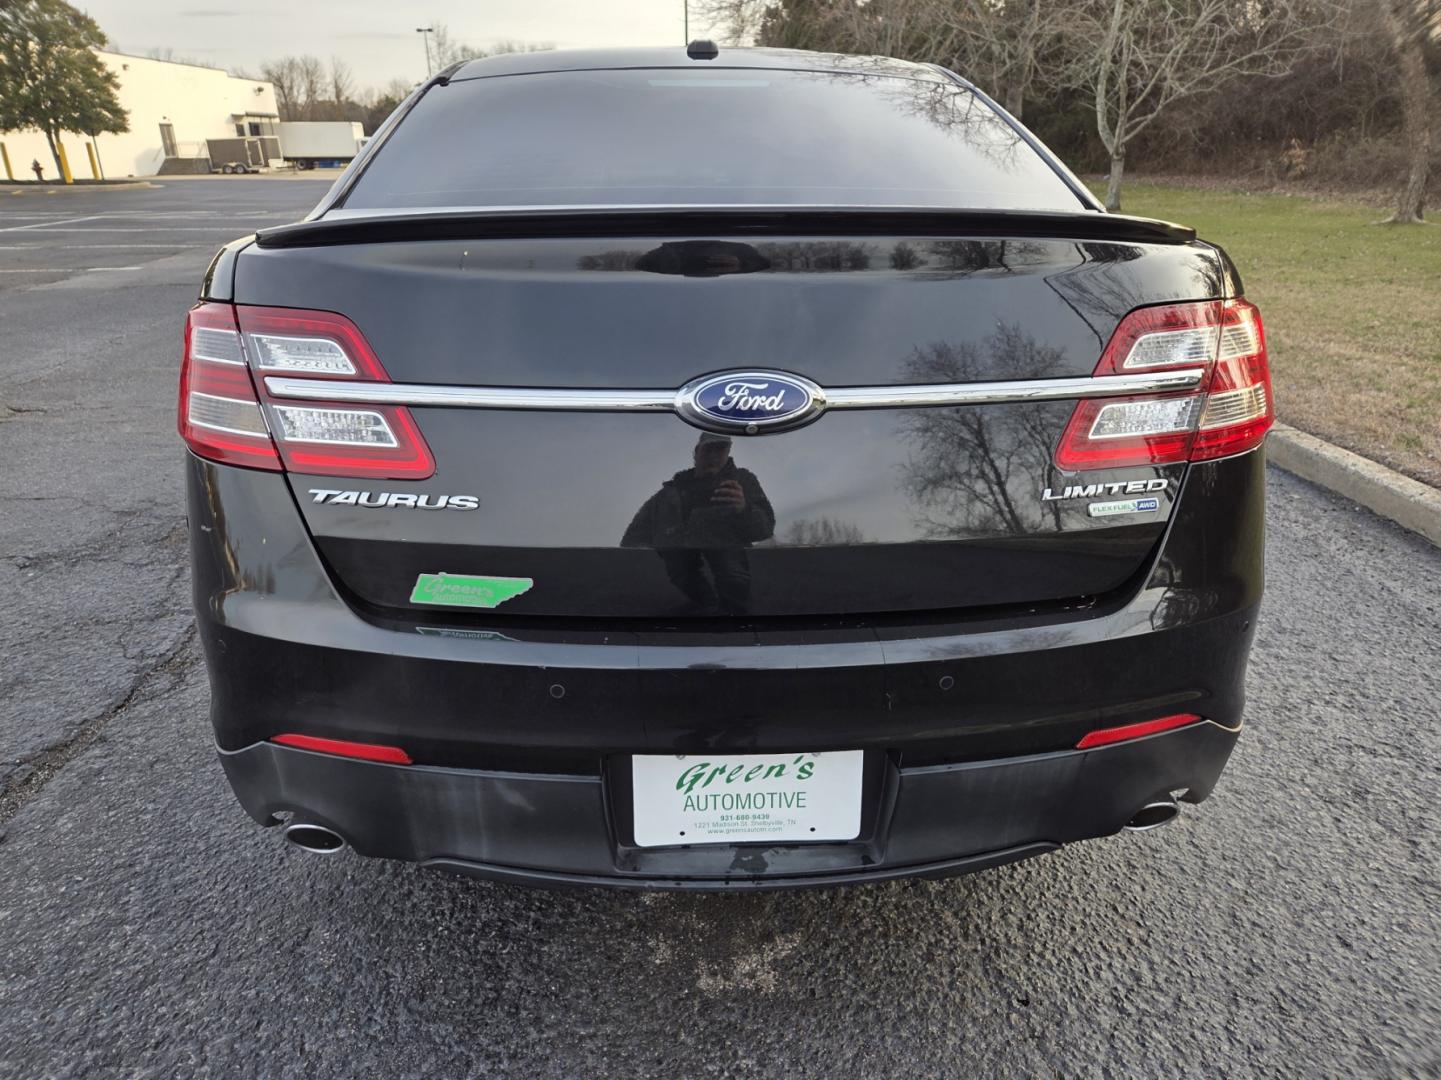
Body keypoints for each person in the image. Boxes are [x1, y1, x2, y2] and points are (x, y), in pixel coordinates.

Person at [621, 432, 776, 614]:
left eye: (720, 449)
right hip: (679, 577)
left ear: (728, 452)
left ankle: (730, 613)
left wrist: (743, 508)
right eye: (708, 449)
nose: (713, 456)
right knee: (680, 569)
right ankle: (705, 605)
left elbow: (764, 530)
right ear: (696, 452)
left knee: (732, 573)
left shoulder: (742, 481)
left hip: (736, 589)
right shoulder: (669, 492)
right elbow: (633, 537)